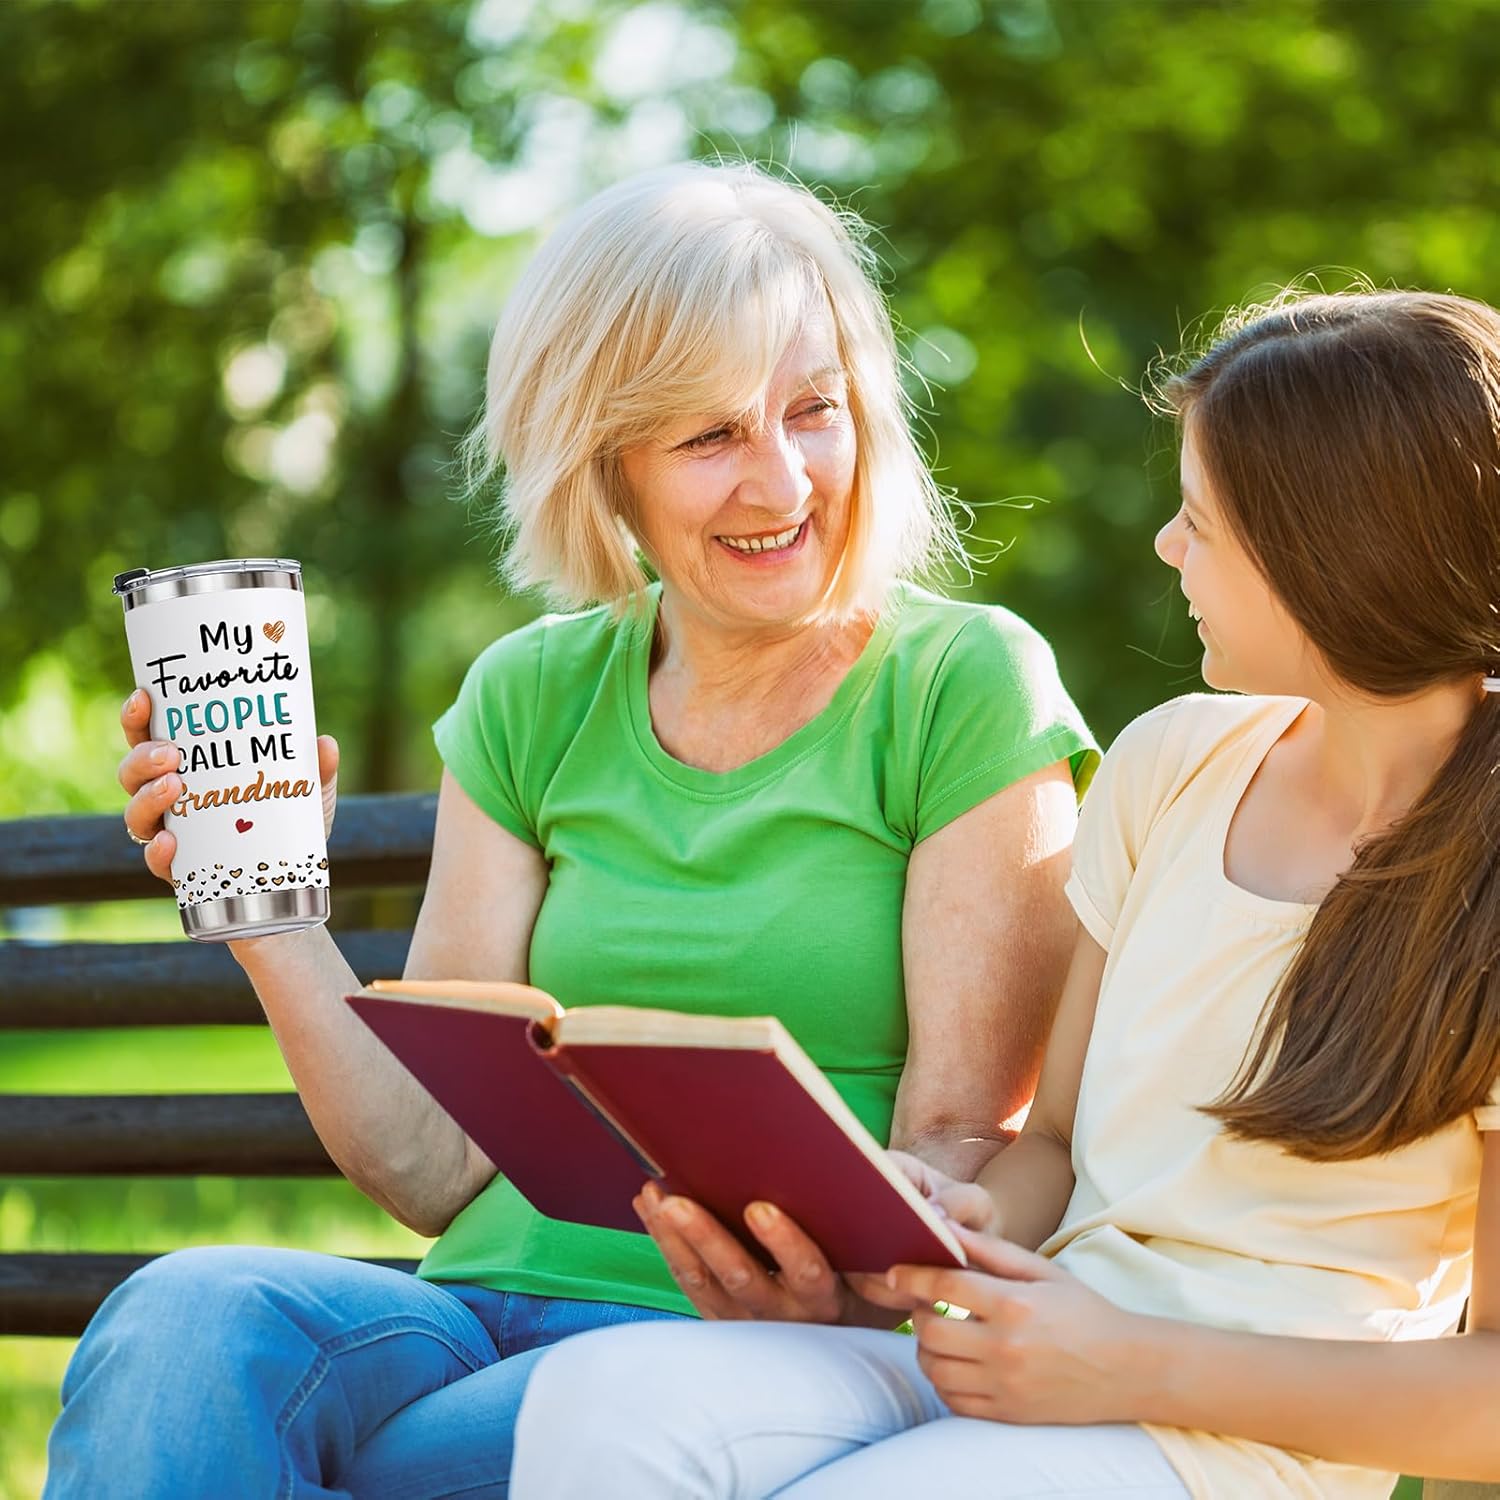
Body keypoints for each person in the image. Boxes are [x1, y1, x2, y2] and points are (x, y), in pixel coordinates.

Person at [43, 160, 1096, 1499]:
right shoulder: (533, 693)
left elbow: (965, 1144)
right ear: (606, 464)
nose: (780, 483)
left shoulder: (963, 685)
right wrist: (268, 912)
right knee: (185, 1322)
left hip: (756, 1354)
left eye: (813, 413)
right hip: (477, 1311)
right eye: (708, 439)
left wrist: (842, 1260)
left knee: (370, 1466)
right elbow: (434, 1168)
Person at [509, 285, 1500, 1500]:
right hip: (1029, 1344)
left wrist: (1130, 1367)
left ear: (1336, 555)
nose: (1166, 547)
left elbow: (1487, 1406)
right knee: (607, 1400)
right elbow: (1059, 1146)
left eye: (1202, 522)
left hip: (1227, 1436)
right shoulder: (1173, 764)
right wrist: (939, 1215)